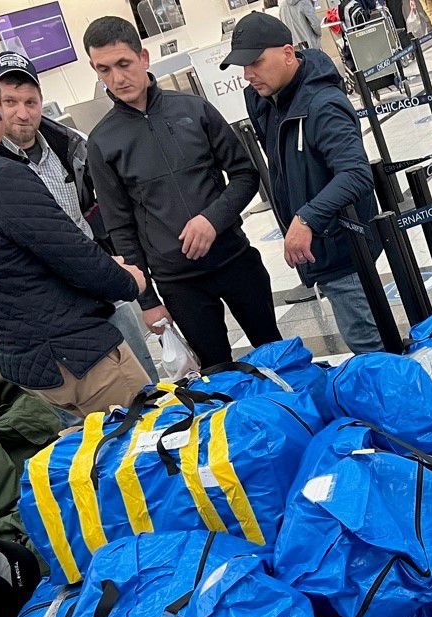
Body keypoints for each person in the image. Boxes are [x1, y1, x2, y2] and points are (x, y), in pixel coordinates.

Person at [0, 53, 151, 418]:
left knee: (94, 460)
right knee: (147, 444)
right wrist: (129, 281)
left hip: (31, 368)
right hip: (79, 358)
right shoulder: (0, 176)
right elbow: (74, 258)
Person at [83, 16, 283, 368]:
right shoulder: (102, 142)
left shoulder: (194, 109)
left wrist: (212, 220)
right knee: (216, 374)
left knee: (278, 357)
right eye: (104, 69)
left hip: (235, 261)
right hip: (179, 285)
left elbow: (245, 175)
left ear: (143, 58)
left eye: (124, 64)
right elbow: (120, 228)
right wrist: (147, 302)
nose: (117, 78)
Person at [0, 50, 160, 383]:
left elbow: (102, 206)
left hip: (96, 273)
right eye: (9, 102)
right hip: (51, 302)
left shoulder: (71, 146)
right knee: (86, 396)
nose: (22, 114)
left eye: (30, 102)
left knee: (141, 377)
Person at [223, 11, 384, 354]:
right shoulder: (263, 98)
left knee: (368, 343)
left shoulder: (323, 104)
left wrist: (307, 217)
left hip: (343, 247)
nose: (249, 75)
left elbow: (356, 174)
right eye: (243, 66)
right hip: (316, 248)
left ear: (286, 53)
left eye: (256, 62)